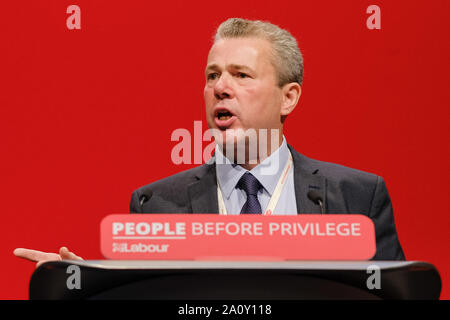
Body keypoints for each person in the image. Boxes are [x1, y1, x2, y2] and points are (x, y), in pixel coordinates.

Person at [14, 18, 405, 266]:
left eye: (241, 75)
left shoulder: (356, 196)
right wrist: (89, 286)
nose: (220, 87)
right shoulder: (155, 206)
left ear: (289, 97)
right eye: (213, 75)